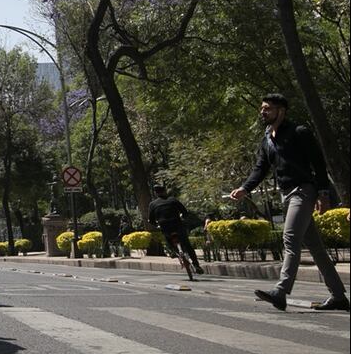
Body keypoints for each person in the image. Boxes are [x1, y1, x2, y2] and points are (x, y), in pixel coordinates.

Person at [230, 93, 348, 312]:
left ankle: (281, 291)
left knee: (290, 239)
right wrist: (245, 188)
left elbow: (319, 163)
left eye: (267, 108)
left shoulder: (298, 132)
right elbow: (260, 168)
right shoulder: (267, 138)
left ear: (281, 111)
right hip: (288, 194)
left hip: (304, 190)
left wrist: (323, 193)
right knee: (315, 248)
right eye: (262, 108)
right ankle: (339, 296)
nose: (263, 112)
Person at [149, 184, 204, 275]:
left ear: (156, 193)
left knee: (168, 240)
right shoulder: (173, 200)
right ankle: (196, 265)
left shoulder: (152, 204)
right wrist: (184, 218)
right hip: (177, 225)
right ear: (165, 191)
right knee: (187, 245)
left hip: (165, 227)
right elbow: (184, 212)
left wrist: (157, 225)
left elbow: (151, 220)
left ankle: (172, 251)